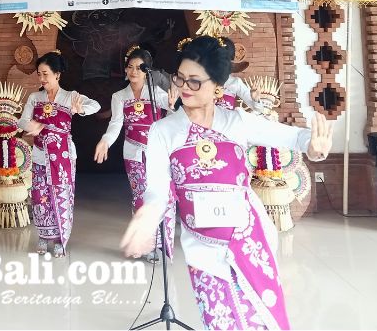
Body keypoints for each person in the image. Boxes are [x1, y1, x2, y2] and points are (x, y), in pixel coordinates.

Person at [120, 35, 333, 330]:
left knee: (264, 321)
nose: (184, 87)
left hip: (250, 240)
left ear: (217, 87)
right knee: (220, 320)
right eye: (180, 78)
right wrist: (145, 220)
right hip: (202, 247)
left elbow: (295, 137)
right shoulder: (163, 131)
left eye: (195, 81)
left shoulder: (237, 122)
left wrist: (314, 147)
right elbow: (156, 188)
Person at [94, 45, 176, 261]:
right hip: (133, 154)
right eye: (130, 67)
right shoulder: (119, 96)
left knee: (161, 197)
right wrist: (105, 141)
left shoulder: (159, 95)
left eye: (139, 68)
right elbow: (115, 124)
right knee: (140, 198)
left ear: (148, 71)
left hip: (157, 155)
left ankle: (160, 245)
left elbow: (173, 122)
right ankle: (144, 244)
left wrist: (172, 106)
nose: (133, 72)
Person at [19, 50, 100, 258]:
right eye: (39, 74)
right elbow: (21, 121)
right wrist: (31, 124)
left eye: (46, 74)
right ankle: (44, 236)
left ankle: (59, 238)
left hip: (63, 155)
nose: (42, 78)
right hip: (39, 154)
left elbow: (95, 105)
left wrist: (79, 109)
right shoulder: (35, 97)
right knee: (40, 196)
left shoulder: (70, 96)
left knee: (60, 195)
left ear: (57, 75)